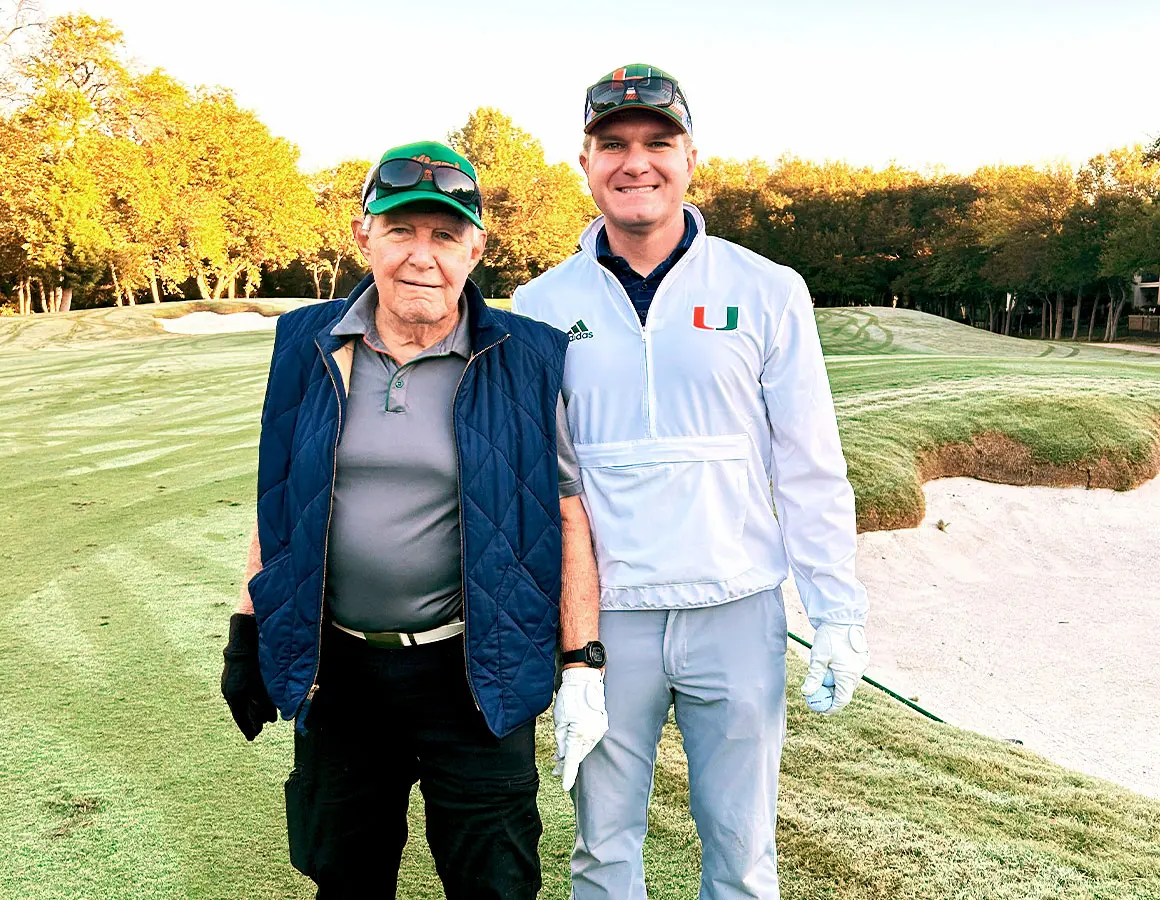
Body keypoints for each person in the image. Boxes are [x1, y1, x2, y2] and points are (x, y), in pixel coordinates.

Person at [512, 65, 871, 899]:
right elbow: (536, 486)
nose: (636, 162)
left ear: (691, 157)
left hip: (738, 613)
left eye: (656, 143)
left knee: (743, 857)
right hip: (606, 626)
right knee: (603, 852)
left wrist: (837, 612)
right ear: (586, 161)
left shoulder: (767, 289)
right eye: (614, 144)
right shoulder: (538, 303)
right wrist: (555, 643)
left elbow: (810, 467)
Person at [220, 140, 607, 900]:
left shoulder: (525, 355)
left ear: (476, 249)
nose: (420, 256)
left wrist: (581, 664)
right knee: (346, 878)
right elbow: (282, 501)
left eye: (444, 234)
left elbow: (567, 515)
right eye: (401, 231)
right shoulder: (305, 343)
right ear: (364, 234)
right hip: (343, 677)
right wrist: (247, 627)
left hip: (475, 673)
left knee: (494, 883)